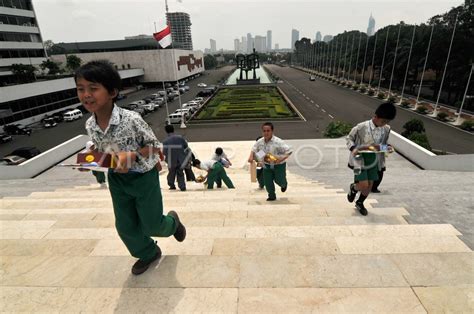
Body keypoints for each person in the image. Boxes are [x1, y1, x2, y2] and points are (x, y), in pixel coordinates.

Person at [76, 60, 186, 275]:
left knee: (152, 225)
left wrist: (133, 155)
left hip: (143, 178)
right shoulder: (90, 124)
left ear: (112, 92)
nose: (86, 94)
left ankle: (173, 223)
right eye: (81, 89)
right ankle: (148, 253)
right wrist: (91, 162)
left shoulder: (131, 119)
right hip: (117, 179)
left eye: (93, 88)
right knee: (125, 227)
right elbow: (105, 152)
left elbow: (155, 146)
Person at [346, 102, 397, 215]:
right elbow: (349, 138)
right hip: (359, 159)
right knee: (363, 184)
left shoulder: (386, 129)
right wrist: (354, 148)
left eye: (387, 122)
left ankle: (360, 202)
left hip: (374, 159)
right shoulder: (361, 127)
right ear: (376, 116)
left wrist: (387, 148)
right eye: (383, 121)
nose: (385, 124)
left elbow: (382, 145)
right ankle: (353, 188)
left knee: (370, 185)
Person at [248, 122, 292, 201]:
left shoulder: (278, 142)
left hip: (278, 165)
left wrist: (280, 159)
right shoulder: (260, 141)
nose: (266, 133)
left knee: (279, 180)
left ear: (272, 131)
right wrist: (252, 156)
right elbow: (254, 149)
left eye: (268, 131)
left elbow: (289, 151)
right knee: (267, 181)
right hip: (267, 164)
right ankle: (271, 195)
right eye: (264, 131)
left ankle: (283, 184)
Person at [162, 124, 189, 191]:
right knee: (180, 173)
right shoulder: (180, 137)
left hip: (171, 159)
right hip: (181, 158)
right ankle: (182, 186)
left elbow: (164, 152)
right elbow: (186, 146)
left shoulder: (165, 141)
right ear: (173, 129)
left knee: (171, 173)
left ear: (166, 131)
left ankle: (172, 185)